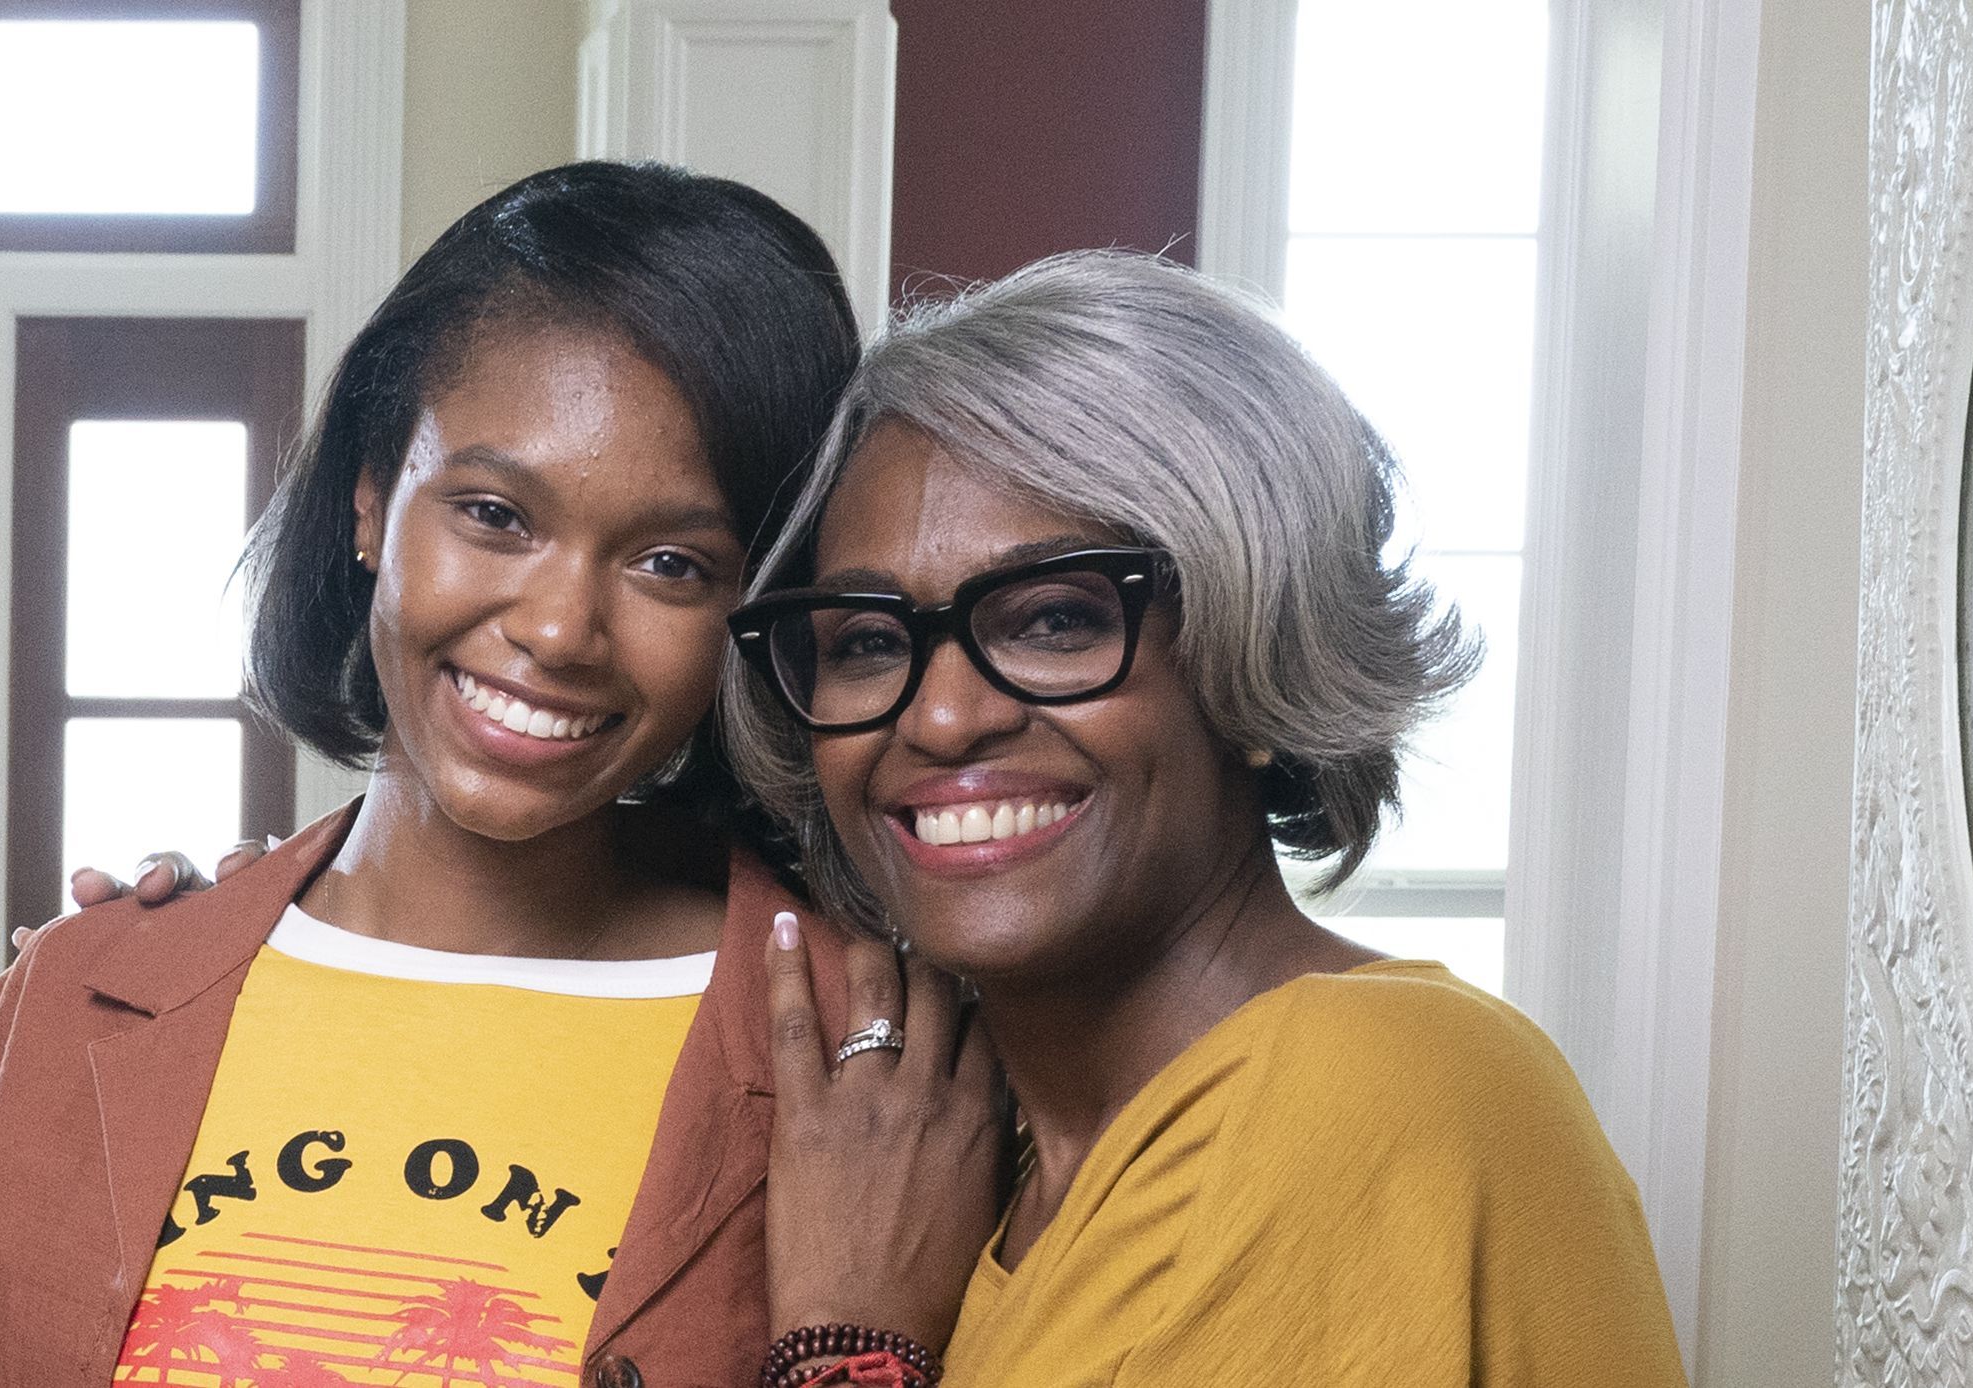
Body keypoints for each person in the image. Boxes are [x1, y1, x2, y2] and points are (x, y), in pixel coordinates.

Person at [0, 160, 1010, 1388]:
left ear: (754, 607)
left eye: (672, 561)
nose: (561, 628)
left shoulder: (877, 1055)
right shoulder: (71, 1001)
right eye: (493, 514)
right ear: (371, 502)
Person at [716, 250, 1680, 1384]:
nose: (936, 716)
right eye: (867, 642)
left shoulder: (1361, 1086)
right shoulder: (975, 1173)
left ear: (1251, 650)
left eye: (1052, 621)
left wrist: (848, 1340)